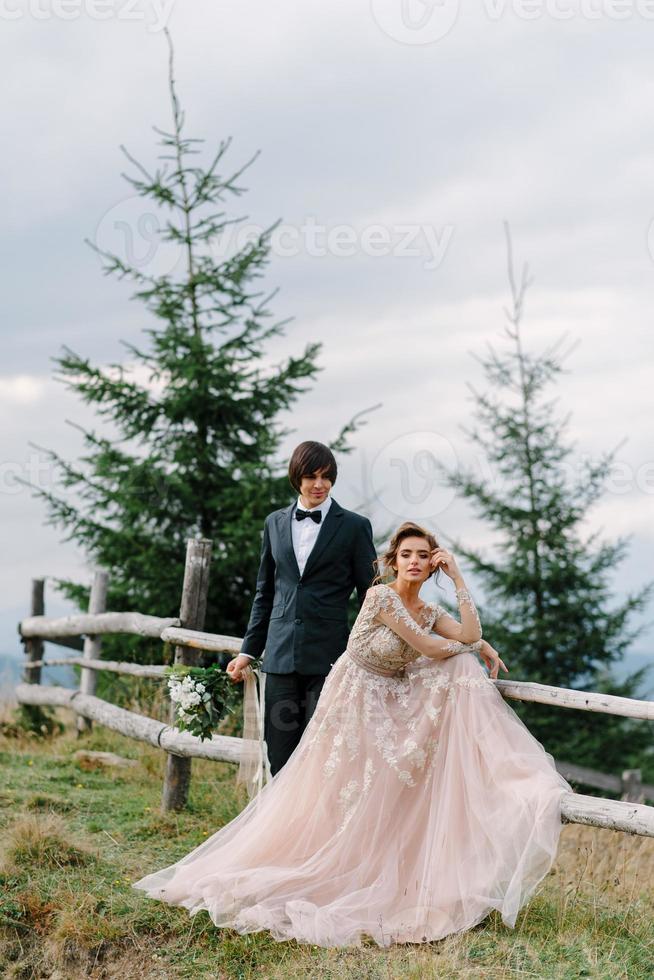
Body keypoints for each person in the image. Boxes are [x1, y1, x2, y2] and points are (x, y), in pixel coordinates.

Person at [133, 521, 572, 948]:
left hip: (389, 698)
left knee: (455, 673)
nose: (415, 562)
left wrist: (458, 582)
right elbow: (436, 647)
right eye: (406, 556)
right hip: (354, 695)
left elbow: (467, 633)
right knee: (340, 789)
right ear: (393, 561)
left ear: (433, 564)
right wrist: (474, 646)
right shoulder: (380, 596)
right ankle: (318, 863)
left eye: (424, 556)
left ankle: (387, 860)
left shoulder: (429, 610)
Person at [226, 440, 377, 776]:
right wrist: (248, 652)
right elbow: (264, 593)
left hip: (331, 660)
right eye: (311, 476)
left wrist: (363, 650)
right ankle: (286, 828)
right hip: (279, 659)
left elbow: (371, 595)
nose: (319, 484)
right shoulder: (274, 523)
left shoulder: (354, 527)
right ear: (297, 478)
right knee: (279, 756)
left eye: (326, 476)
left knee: (323, 755)